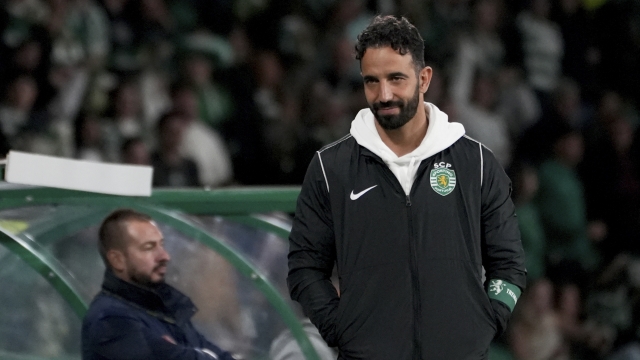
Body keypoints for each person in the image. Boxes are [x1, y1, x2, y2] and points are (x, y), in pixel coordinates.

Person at [287, 15, 526, 359]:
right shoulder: (331, 167)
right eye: (372, 81)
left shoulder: (477, 162)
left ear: (424, 78)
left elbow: (510, 263)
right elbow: (304, 267)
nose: (384, 94)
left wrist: (487, 321)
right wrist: (338, 327)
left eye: (396, 78)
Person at [81, 209, 235, 360]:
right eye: (149, 248)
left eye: (161, 245)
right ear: (117, 260)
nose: (164, 256)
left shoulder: (163, 307)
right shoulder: (110, 320)